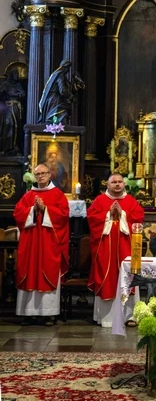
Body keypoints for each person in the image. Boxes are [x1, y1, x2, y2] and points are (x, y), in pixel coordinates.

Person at [13, 163, 69, 325]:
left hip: (49, 243)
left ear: (50, 175)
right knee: (29, 272)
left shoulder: (58, 195)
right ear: (34, 176)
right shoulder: (28, 195)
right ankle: (28, 314)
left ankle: (49, 314)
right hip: (31, 243)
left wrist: (45, 209)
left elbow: (64, 215)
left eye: (44, 173)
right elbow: (18, 213)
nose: (41, 176)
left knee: (48, 271)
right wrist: (32, 210)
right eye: (37, 174)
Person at [87, 173, 144, 327]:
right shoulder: (100, 201)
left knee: (128, 277)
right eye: (114, 182)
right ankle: (106, 318)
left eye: (120, 182)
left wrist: (123, 214)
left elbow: (138, 218)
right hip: (105, 250)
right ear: (108, 184)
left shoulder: (131, 201)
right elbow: (91, 218)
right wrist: (108, 214)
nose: (117, 185)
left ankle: (129, 316)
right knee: (107, 278)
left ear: (124, 184)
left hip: (126, 248)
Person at [38, 59, 84, 124]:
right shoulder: (60, 76)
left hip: (53, 102)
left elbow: (68, 88)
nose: (68, 71)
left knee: (56, 120)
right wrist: (72, 98)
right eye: (68, 68)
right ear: (65, 67)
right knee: (61, 118)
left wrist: (76, 82)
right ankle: (57, 130)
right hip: (56, 103)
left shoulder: (57, 75)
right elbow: (63, 91)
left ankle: (56, 130)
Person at [0, 70, 25, 155]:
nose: (17, 76)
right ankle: (7, 147)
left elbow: (23, 94)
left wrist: (15, 93)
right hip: (8, 108)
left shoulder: (18, 85)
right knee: (9, 125)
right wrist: (15, 93)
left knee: (17, 127)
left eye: (17, 74)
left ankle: (15, 146)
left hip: (17, 108)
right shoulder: (5, 85)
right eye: (15, 74)